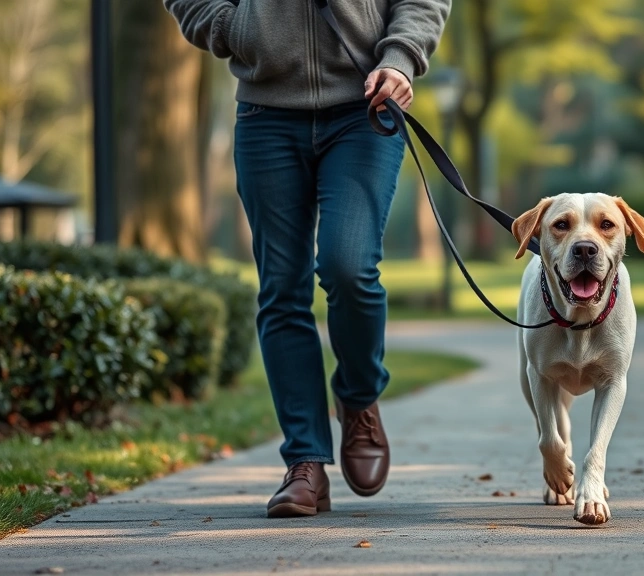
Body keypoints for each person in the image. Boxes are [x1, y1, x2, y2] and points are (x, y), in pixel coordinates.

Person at [163, 0, 452, 517]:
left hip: (364, 106)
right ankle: (305, 462)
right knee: (281, 288)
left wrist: (401, 56)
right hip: (266, 115)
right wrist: (238, 29)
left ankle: (359, 398)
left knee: (350, 265)